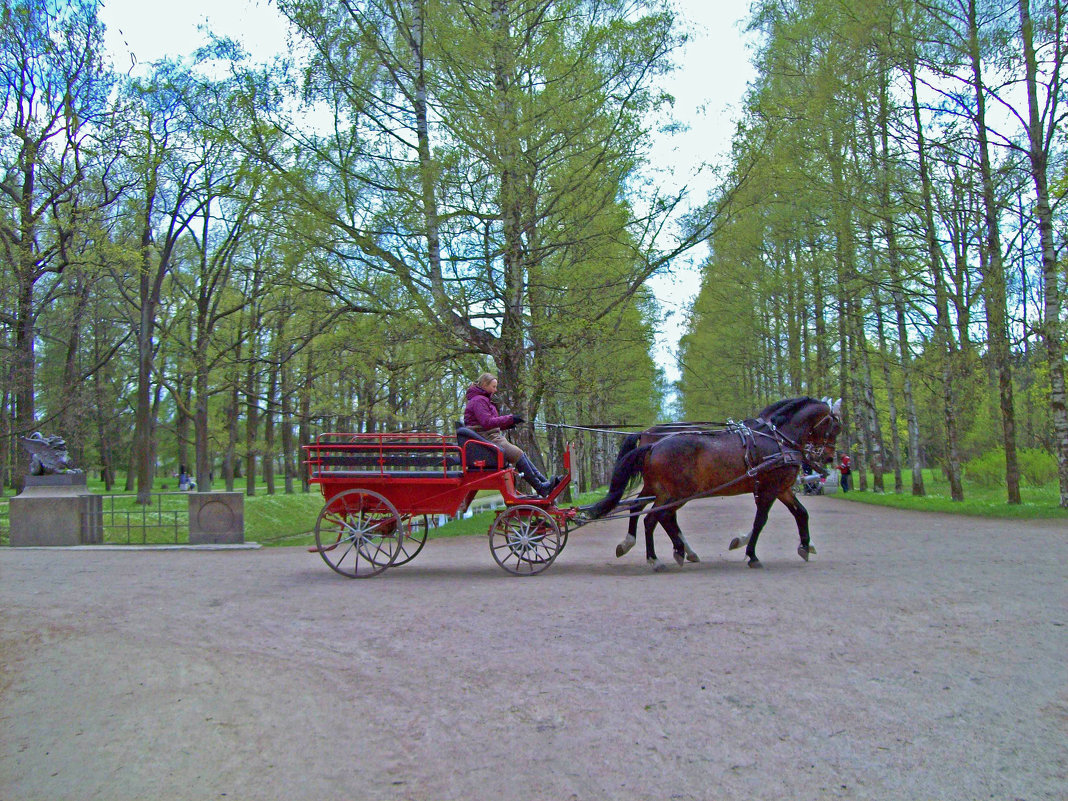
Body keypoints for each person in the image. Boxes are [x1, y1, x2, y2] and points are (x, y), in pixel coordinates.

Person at [463, 373, 561, 497]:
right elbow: (486, 422)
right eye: (493, 387)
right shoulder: (479, 400)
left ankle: (544, 483)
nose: (495, 390)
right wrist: (510, 419)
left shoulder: (482, 399)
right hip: (485, 438)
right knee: (517, 454)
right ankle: (541, 487)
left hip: (490, 436)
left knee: (520, 453)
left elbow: (491, 422)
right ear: (484, 385)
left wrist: (510, 423)